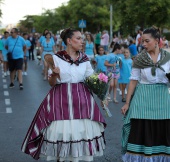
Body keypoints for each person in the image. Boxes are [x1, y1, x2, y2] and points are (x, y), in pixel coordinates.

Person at [21, 27, 106, 162]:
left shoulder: (84, 59)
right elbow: (52, 83)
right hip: (61, 101)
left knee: (80, 133)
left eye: (82, 39)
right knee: (62, 134)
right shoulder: (57, 58)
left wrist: (102, 90)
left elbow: (91, 79)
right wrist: (54, 74)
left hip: (82, 101)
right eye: (78, 39)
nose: (82, 41)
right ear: (69, 41)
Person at [121, 27, 170, 162]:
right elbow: (133, 81)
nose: (143, 44)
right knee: (141, 129)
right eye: (142, 41)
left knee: (162, 129)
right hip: (143, 97)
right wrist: (127, 103)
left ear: (157, 41)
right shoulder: (139, 59)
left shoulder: (168, 58)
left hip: (162, 97)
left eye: (147, 41)